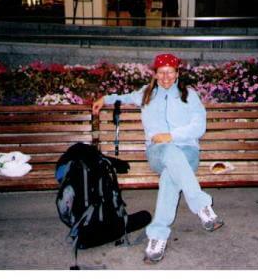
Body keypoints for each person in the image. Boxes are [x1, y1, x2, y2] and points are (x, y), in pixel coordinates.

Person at [92, 53, 224, 264]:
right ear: (154, 74)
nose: (165, 77)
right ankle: (202, 207)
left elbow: (199, 127)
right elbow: (124, 97)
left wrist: (172, 136)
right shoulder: (146, 93)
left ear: (177, 73)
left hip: (187, 152)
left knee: (169, 176)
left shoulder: (190, 95)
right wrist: (104, 99)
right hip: (158, 153)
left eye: (170, 72)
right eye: (161, 72)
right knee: (169, 154)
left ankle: (157, 237)